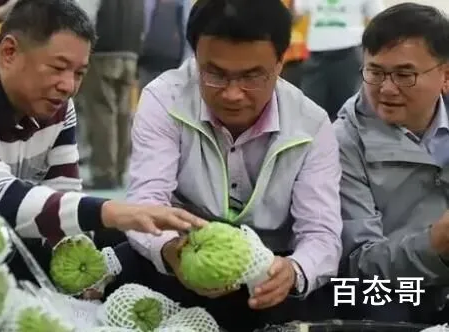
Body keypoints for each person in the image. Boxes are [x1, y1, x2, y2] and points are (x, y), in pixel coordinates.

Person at [120, 0, 343, 330]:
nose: (233, 94)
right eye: (215, 74)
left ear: (281, 62)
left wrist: (293, 271)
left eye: (252, 76)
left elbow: (321, 234)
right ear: (195, 58)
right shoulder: (165, 98)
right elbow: (146, 202)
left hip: (269, 270)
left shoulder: (311, 124)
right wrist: (171, 251)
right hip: (185, 257)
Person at [0, 0, 205, 281]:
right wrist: (111, 210)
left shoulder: (56, 106)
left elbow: (64, 191)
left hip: (8, 239)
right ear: (9, 52)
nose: (68, 85)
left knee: (137, 240)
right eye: (58, 67)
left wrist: (81, 270)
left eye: (79, 73)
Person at [335, 3, 449, 324]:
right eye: (375, 72)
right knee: (368, 296)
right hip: (387, 286)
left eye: (404, 75)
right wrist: (435, 245)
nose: (386, 89)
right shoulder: (344, 141)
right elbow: (357, 263)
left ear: (445, 76)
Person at [76, 0, 144, 190]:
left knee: (101, 111)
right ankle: (120, 170)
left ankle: (104, 173)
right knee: (122, 113)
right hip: (130, 54)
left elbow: (85, 17)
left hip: (102, 52)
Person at [293, 0, 384, 121]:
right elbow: (296, 14)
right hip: (316, 55)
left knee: (347, 112)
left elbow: (380, 19)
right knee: (309, 111)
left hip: (349, 53)